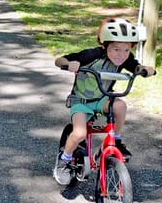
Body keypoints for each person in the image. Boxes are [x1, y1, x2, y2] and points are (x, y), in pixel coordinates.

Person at [51, 17, 156, 185]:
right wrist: (70, 64)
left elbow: (135, 67)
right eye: (115, 49)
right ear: (105, 44)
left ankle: (117, 140)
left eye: (126, 50)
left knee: (120, 106)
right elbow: (59, 60)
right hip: (81, 101)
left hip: (102, 99)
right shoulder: (92, 55)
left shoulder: (125, 59)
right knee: (79, 133)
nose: (121, 55)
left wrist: (144, 69)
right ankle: (65, 159)